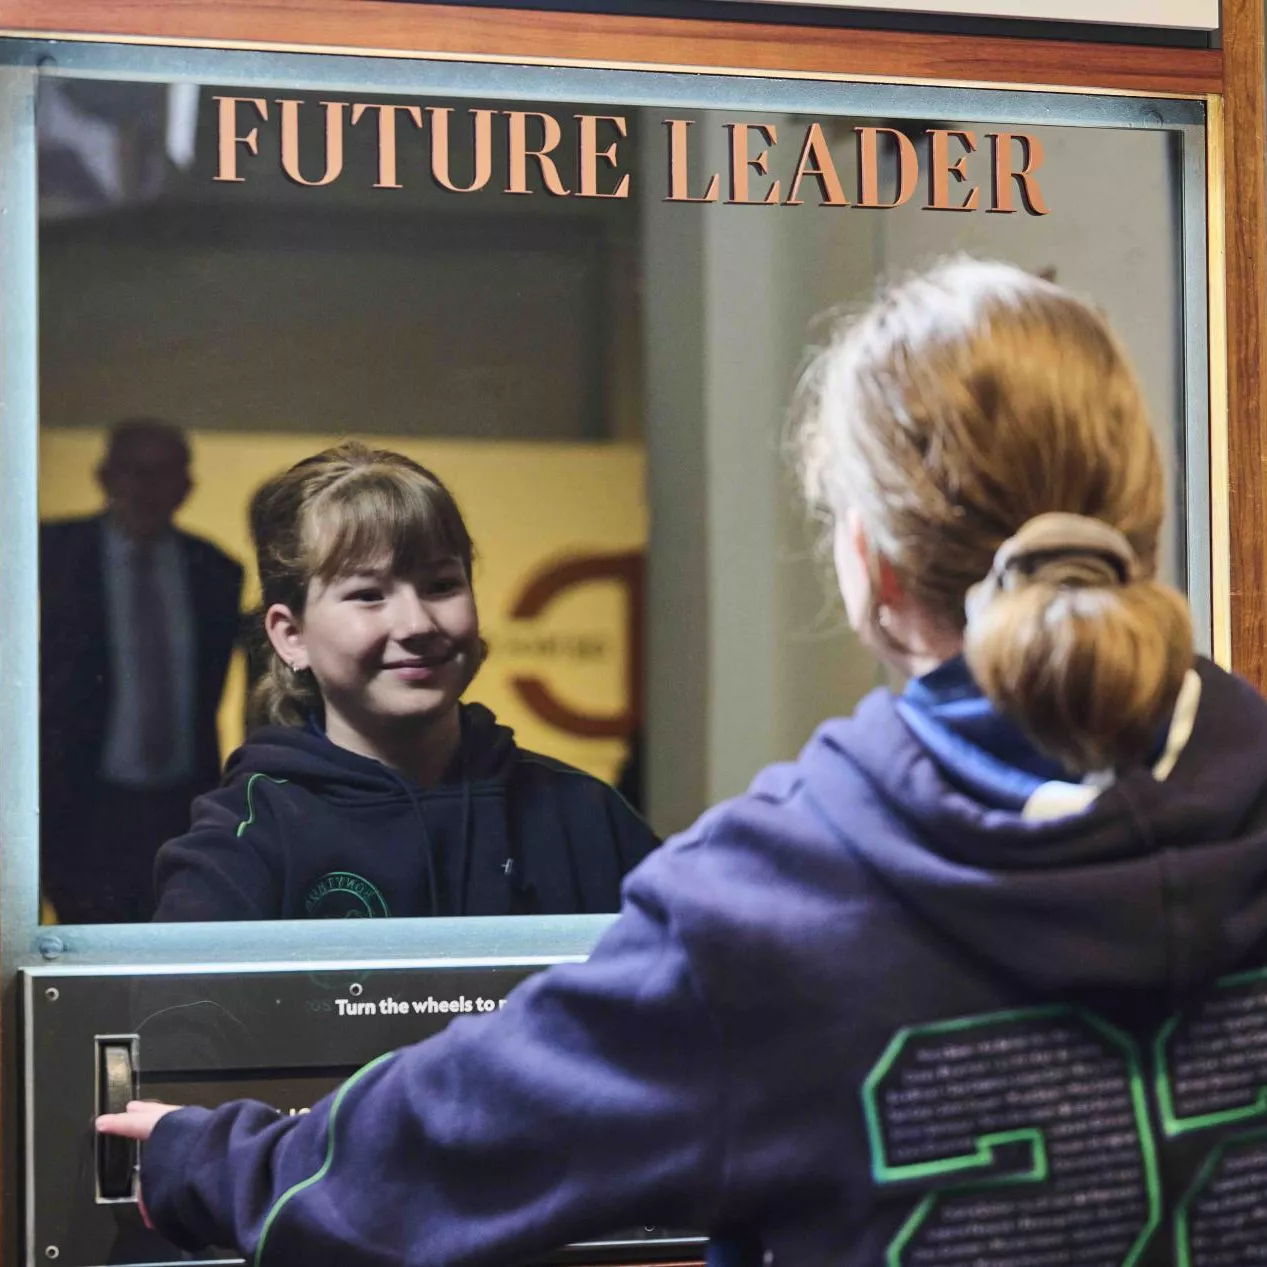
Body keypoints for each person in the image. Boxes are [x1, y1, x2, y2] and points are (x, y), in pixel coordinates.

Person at [101, 260, 1267, 1266]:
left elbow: (465, 1141)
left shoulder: (773, 902)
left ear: (867, 564)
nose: (412, 620)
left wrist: (217, 1161)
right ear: (1141, 515)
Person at [151, 442, 656, 920]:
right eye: (368, 594)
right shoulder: (245, 838)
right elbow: (180, 1010)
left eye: (442, 586)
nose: (417, 625)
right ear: (291, 636)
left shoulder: (586, 814)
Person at [40, 419, 243, 923]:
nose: (147, 488)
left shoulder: (215, 570)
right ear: (106, 477)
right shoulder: (48, 553)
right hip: (77, 802)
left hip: (182, 803)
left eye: (163, 473)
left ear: (186, 486)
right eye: (135, 471)